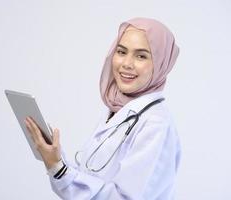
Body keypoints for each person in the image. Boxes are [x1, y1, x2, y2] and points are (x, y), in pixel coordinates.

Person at [24, 17, 181, 200]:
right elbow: (93, 177)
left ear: (161, 64)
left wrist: (59, 170)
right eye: (121, 52)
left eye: (141, 56)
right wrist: (56, 159)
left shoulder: (155, 124)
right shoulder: (117, 110)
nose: (127, 64)